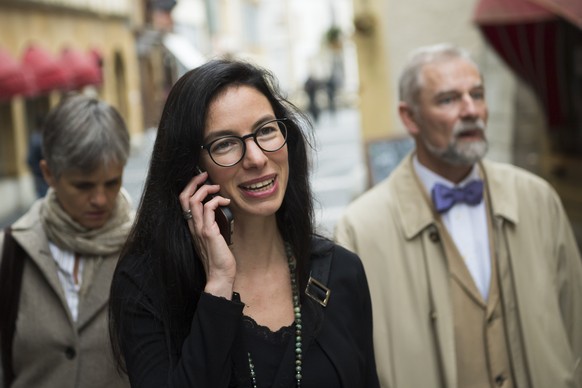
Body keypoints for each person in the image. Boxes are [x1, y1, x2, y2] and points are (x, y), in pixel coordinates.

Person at [109, 58, 379, 388]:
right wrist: (219, 285)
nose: (256, 157)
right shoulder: (147, 287)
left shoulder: (342, 272)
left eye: (265, 130)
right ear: (192, 169)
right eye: (225, 143)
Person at [335, 43, 582, 388]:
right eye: (448, 99)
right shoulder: (361, 230)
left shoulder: (537, 199)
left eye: (477, 94)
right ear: (410, 117)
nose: (471, 110)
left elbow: (575, 323)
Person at [0, 94, 132, 388]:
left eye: (112, 183)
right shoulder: (12, 252)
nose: (100, 199)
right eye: (83, 185)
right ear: (48, 174)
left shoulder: (144, 247)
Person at [27, 115, 49, 198]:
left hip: (40, 175)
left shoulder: (35, 138)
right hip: (42, 175)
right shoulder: (39, 139)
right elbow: (30, 159)